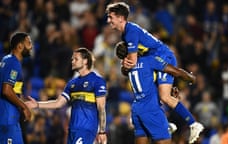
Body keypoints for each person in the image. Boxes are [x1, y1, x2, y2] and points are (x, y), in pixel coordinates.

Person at [106, 2, 204, 144]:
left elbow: (132, 61)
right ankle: (165, 125)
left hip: (162, 56)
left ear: (121, 18)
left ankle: (193, 124)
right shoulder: (127, 35)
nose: (108, 21)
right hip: (152, 59)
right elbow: (131, 64)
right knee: (156, 92)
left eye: (111, 17)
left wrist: (126, 64)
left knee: (164, 96)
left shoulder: (130, 32)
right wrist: (125, 65)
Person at [25, 48, 108, 144]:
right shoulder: (72, 83)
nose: (72, 61)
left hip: (86, 130)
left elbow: (101, 108)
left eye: (76, 59)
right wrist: (37, 104)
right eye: (72, 59)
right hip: (72, 131)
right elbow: (58, 103)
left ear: (85, 61)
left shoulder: (97, 81)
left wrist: (102, 132)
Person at [0, 32, 33, 144]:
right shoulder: (14, 63)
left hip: (8, 117)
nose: (31, 47)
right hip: (8, 119)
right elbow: (6, 90)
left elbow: (13, 90)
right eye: (28, 43)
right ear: (20, 46)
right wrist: (24, 107)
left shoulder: (6, 59)